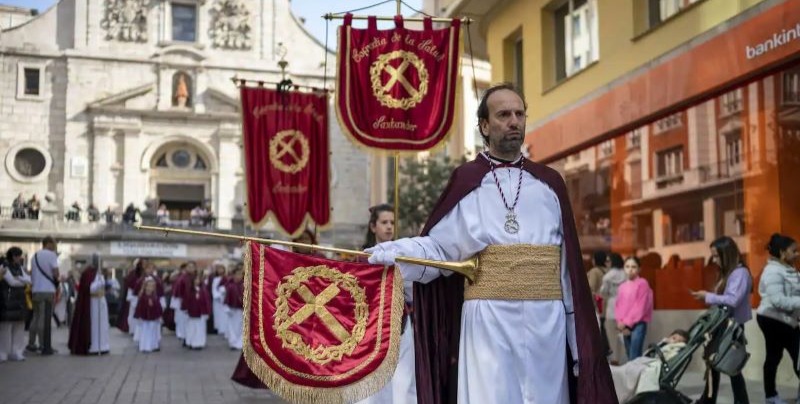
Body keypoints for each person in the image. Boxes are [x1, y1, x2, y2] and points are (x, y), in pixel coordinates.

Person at [365, 83, 615, 403]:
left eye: (519, 114)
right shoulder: (468, 180)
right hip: (488, 324)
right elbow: (439, 250)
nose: (514, 121)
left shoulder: (550, 184)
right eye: (503, 115)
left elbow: (568, 274)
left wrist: (581, 346)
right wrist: (393, 253)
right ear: (484, 125)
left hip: (546, 326)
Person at [358, 204, 416, 403]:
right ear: (373, 226)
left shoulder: (404, 256)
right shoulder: (361, 258)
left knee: (402, 383)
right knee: (370, 386)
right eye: (384, 222)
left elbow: (411, 294)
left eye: (392, 222)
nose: (389, 227)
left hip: (399, 325)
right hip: (370, 330)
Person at [690, 236, 752, 404]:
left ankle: (739, 401)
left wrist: (708, 296)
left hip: (732, 326)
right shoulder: (729, 273)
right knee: (714, 364)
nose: (715, 260)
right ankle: (709, 400)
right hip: (723, 324)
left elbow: (733, 300)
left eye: (717, 256)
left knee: (732, 365)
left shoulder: (740, 273)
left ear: (727, 254)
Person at [754, 233, 799, 404]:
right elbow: (778, 300)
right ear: (782, 252)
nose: (797, 254)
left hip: (783, 319)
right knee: (794, 355)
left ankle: (770, 396)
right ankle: (771, 396)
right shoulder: (773, 271)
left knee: (773, 357)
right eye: (794, 251)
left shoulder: (788, 269)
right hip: (774, 320)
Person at [611, 329, 689, 402]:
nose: (675, 342)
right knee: (625, 369)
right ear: (669, 337)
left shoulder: (675, 349)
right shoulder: (663, 344)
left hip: (651, 365)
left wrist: (679, 345)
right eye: (674, 338)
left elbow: (667, 356)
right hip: (644, 362)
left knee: (628, 371)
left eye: (679, 341)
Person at [615, 256, 653, 361]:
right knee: (629, 355)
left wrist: (626, 323)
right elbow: (618, 306)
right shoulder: (622, 286)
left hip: (638, 324)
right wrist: (620, 322)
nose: (630, 269)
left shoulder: (643, 283)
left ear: (639, 269)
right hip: (624, 325)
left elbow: (640, 307)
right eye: (627, 266)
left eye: (633, 267)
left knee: (634, 356)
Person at [28, 236, 59, 355]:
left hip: (35, 290)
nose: (54, 246)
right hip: (47, 290)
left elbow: (32, 273)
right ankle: (44, 345)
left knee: (35, 317)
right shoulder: (51, 255)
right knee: (44, 318)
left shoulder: (34, 256)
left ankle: (31, 343)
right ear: (48, 243)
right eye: (54, 244)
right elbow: (56, 273)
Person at [68, 265, 110, 355]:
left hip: (101, 302)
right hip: (93, 303)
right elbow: (89, 288)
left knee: (102, 325)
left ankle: (103, 345)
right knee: (95, 326)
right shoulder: (89, 276)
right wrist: (99, 283)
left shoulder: (100, 276)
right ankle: (94, 347)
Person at [0, 247, 32, 362]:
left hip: (20, 300)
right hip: (7, 300)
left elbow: (29, 280)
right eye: (18, 255)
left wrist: (20, 279)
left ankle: (17, 352)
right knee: (6, 328)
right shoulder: (4, 266)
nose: (19, 258)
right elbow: (12, 282)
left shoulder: (20, 267)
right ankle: (3, 352)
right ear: (12, 256)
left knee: (19, 326)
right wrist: (23, 281)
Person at [601, 252, 627, 364]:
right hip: (625, 305)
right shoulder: (626, 274)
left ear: (612, 262)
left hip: (612, 305)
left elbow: (603, 291)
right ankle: (626, 357)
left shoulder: (608, 276)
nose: (606, 263)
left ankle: (615, 359)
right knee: (624, 334)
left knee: (612, 335)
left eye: (608, 260)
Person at [134, 276, 163, 353]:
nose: (150, 288)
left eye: (152, 286)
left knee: (153, 331)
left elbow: (158, 307)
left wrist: (159, 315)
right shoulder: (142, 297)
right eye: (148, 286)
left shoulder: (155, 297)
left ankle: (153, 345)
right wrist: (139, 316)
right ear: (145, 287)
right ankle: (145, 346)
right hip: (145, 318)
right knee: (145, 332)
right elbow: (139, 307)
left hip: (153, 317)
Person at [184, 273, 211, 350]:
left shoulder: (203, 290)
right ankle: (190, 342)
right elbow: (186, 301)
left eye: (198, 279)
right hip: (192, 312)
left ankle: (199, 343)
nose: (197, 281)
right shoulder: (189, 290)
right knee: (192, 328)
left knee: (200, 328)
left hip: (201, 312)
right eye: (195, 279)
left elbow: (207, 301)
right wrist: (186, 309)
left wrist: (207, 311)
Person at [225, 268, 244, 350]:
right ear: (233, 275)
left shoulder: (244, 285)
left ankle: (240, 343)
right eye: (237, 274)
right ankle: (233, 343)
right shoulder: (230, 286)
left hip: (241, 310)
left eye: (240, 274)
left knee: (241, 327)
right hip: (232, 310)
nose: (238, 276)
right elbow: (227, 298)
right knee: (232, 327)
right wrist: (227, 308)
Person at [211, 262, 228, 336]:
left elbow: (227, 287)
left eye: (221, 269)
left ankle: (225, 329)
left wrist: (223, 290)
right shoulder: (215, 279)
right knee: (218, 315)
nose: (220, 270)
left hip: (224, 298)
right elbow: (213, 289)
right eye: (219, 269)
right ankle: (219, 329)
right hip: (217, 300)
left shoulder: (226, 278)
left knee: (224, 315)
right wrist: (217, 295)